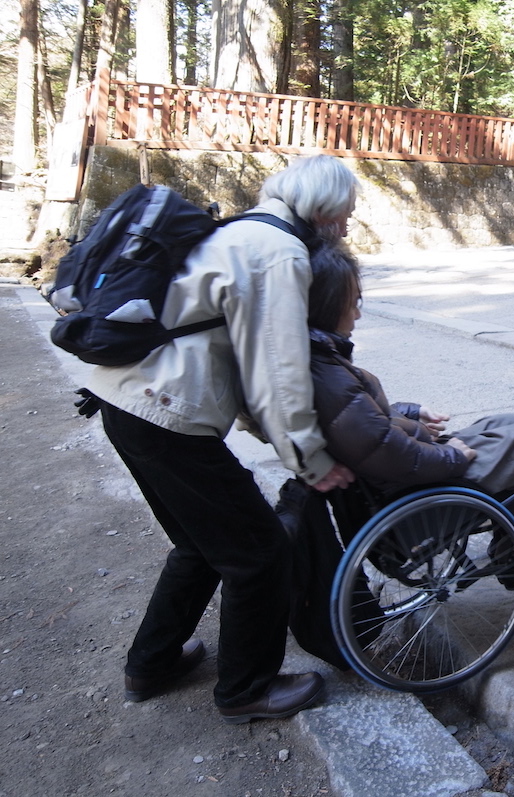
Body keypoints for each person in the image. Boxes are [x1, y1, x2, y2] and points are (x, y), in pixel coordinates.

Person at [82, 155, 359, 723]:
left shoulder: (240, 229)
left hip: (124, 400)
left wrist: (271, 432)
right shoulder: (280, 251)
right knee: (258, 551)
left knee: (201, 543)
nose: (348, 227)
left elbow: (243, 361)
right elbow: (276, 370)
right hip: (166, 415)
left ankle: (152, 662)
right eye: (347, 214)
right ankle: (246, 689)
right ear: (326, 211)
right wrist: (309, 457)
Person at [305, 241, 514, 539]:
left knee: (508, 422)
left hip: (409, 469)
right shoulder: (330, 376)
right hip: (416, 486)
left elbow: (368, 428)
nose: (357, 315)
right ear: (329, 305)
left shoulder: (322, 361)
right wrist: (452, 457)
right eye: (353, 303)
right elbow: (387, 449)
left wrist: (410, 412)